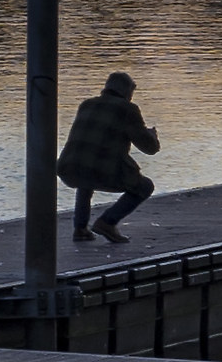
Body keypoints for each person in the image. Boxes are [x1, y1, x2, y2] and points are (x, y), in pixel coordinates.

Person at [57, 71, 160, 244]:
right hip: (99, 170)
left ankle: (80, 228)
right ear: (127, 91)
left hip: (68, 167)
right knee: (145, 187)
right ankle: (107, 222)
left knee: (86, 177)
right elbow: (149, 148)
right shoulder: (127, 109)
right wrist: (152, 135)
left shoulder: (87, 104)